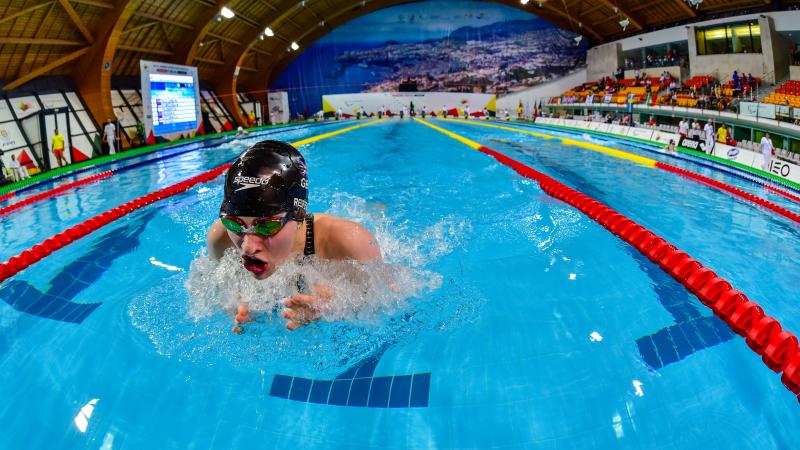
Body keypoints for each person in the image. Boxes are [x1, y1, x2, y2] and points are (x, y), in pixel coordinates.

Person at [206, 140, 382, 332]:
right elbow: (219, 286)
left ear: (298, 215)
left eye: (266, 226)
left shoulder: (349, 241)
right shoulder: (220, 238)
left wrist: (336, 304)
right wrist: (234, 303)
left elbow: (392, 293)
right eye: (234, 223)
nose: (247, 247)